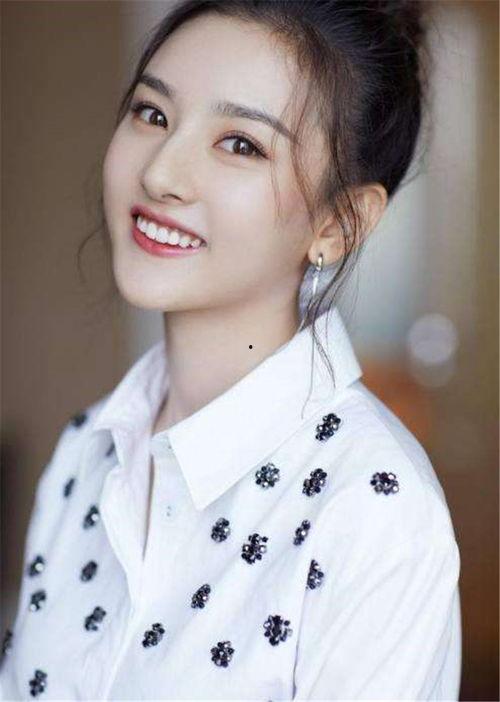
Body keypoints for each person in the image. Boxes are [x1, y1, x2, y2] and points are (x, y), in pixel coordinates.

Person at [0, 0, 462, 699]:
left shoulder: (374, 509)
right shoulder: (83, 455)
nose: (161, 172)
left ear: (339, 224)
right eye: (153, 113)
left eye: (241, 144)